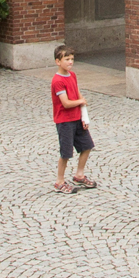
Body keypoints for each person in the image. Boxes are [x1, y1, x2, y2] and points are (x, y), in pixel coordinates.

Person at [49, 45, 95, 194]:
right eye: (66, 59)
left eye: (72, 59)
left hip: (76, 119)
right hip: (64, 121)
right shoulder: (57, 81)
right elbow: (66, 103)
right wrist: (80, 102)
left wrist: (83, 115)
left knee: (87, 146)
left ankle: (79, 175)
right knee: (66, 152)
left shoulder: (72, 75)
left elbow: (78, 94)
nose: (70, 62)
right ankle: (59, 181)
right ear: (58, 61)